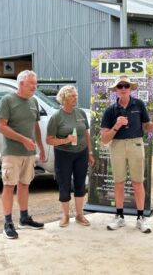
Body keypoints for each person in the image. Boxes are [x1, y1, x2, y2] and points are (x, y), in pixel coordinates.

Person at [101, 76, 153, 233]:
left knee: (137, 182)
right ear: (116, 90)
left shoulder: (139, 105)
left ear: (131, 88)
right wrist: (116, 125)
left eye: (126, 85)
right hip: (117, 145)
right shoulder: (110, 110)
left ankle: (141, 218)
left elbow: (148, 127)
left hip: (136, 144)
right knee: (119, 182)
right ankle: (119, 217)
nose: (123, 88)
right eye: (120, 86)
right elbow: (104, 139)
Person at [0, 70, 45, 239]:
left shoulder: (34, 101)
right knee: (9, 185)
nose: (35, 86)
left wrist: (41, 148)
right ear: (21, 83)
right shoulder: (7, 100)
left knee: (25, 184)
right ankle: (7, 223)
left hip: (29, 153)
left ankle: (24, 219)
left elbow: (36, 126)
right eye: (32, 83)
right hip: (12, 152)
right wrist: (23, 139)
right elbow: (1, 127)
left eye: (35, 82)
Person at [46, 85, 94, 227]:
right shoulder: (56, 117)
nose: (76, 98)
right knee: (64, 184)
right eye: (72, 95)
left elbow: (86, 134)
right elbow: (49, 139)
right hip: (63, 155)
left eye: (76, 95)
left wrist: (90, 153)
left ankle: (80, 215)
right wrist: (65, 140)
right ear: (64, 98)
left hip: (81, 153)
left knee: (80, 184)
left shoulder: (80, 113)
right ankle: (65, 216)